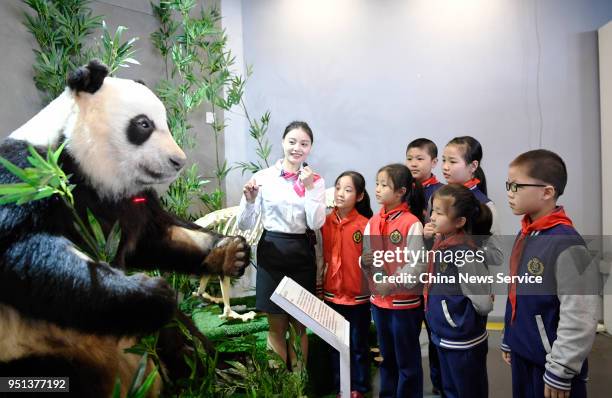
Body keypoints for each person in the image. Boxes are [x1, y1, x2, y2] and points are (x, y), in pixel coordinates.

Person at [500, 149, 600, 398]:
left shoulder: (566, 243)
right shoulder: (528, 232)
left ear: (547, 192)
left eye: (516, 186)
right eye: (507, 185)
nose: (509, 193)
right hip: (524, 353)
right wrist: (509, 336)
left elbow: (580, 314)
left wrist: (562, 367)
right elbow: (517, 291)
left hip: (551, 365)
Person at [237, 121, 326, 370]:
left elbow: (316, 222)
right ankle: (279, 388)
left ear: (310, 148)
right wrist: (250, 201)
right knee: (276, 325)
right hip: (272, 251)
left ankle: (298, 385)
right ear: (283, 143)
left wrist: (308, 189)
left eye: (304, 144)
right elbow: (244, 224)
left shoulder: (316, 181)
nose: (297, 148)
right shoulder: (263, 178)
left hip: (301, 252)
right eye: (292, 142)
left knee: (299, 326)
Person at [361, 163, 426, 398]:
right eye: (377, 184)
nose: (377, 189)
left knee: (406, 361)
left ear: (401, 191)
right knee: (386, 357)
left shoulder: (411, 223)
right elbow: (369, 259)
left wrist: (392, 284)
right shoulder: (373, 221)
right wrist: (367, 266)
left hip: (404, 305)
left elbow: (417, 265)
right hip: (380, 303)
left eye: (384, 185)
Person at [423, 184, 494, 398]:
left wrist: (458, 319)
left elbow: (482, 302)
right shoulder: (442, 242)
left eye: (439, 212)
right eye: (432, 210)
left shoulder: (464, 253)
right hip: (446, 334)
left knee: (467, 391)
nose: (432, 217)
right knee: (450, 389)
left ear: (460, 222)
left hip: (462, 339)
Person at [322, 171, 373, 398]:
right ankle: (340, 385)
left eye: (348, 189)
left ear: (360, 196)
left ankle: (360, 387)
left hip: (357, 297)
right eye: (338, 187)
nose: (341, 193)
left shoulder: (365, 225)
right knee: (335, 344)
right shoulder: (324, 221)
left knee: (358, 344)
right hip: (332, 295)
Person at [405, 137, 444, 395]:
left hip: (434, 274)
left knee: (436, 334)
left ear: (434, 162)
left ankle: (440, 384)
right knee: (407, 335)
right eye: (409, 158)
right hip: (408, 274)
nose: (413, 163)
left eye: (420, 158)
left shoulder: (441, 194)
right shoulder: (402, 191)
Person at [431, 135, 503, 266]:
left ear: (473, 166)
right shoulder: (438, 196)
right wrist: (428, 236)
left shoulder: (485, 205)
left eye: (452, 162)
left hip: (466, 282)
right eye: (444, 160)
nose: (445, 167)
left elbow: (496, 256)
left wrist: (466, 245)